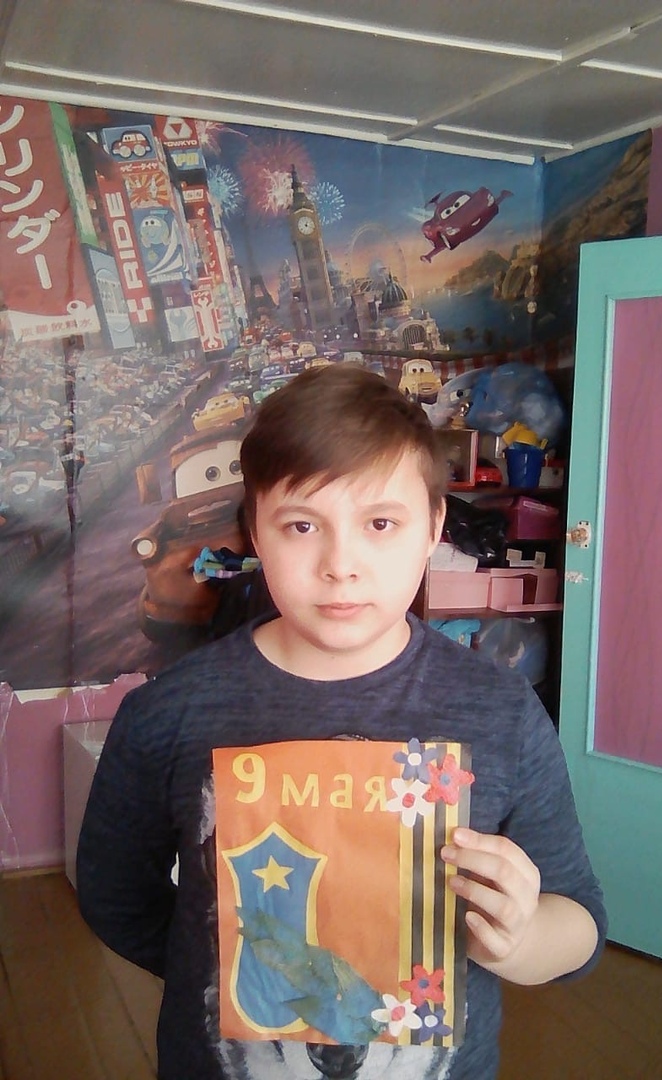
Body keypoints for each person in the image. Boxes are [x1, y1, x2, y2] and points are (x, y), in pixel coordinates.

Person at [77, 364, 606, 1080]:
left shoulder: (501, 712)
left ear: (433, 528)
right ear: (255, 532)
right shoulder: (167, 713)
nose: (341, 565)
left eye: (381, 523)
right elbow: (115, 896)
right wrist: (215, 958)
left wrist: (522, 938)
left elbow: (579, 922)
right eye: (301, 525)